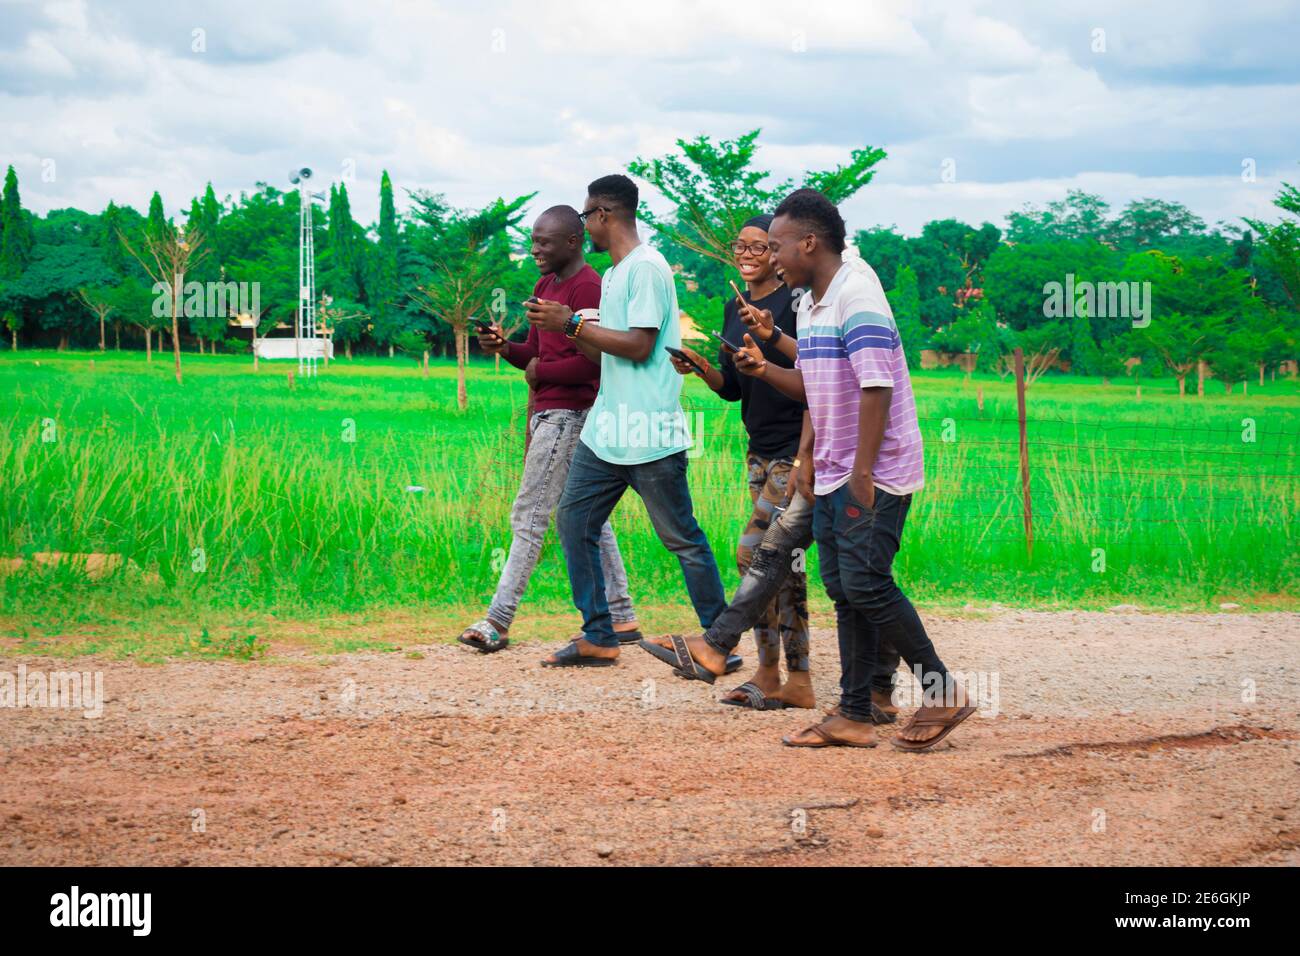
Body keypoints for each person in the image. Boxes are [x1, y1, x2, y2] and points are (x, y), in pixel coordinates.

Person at [643, 188, 975, 753]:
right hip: (834, 466)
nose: (771, 258)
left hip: (874, 470)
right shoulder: (816, 302)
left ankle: (939, 689)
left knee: (866, 583)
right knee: (846, 587)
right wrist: (769, 376)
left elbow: (876, 384)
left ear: (810, 243)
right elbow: (816, 385)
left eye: (777, 247)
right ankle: (853, 713)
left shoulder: (856, 293)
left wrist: (862, 472)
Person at [527, 175, 737, 672]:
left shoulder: (647, 269)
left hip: (647, 431)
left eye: (585, 216)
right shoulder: (617, 273)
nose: (585, 226)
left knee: (681, 537)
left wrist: (574, 324)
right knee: (574, 521)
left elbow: (641, 346)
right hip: (607, 431)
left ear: (603, 214)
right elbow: (605, 357)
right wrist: (570, 326)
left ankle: (721, 642)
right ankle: (599, 635)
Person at [458, 206, 641, 653]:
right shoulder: (545, 286)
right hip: (550, 410)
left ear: (573, 242)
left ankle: (498, 620)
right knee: (588, 520)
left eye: (544, 242)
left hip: (570, 415)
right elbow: (534, 358)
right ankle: (622, 616)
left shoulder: (589, 288)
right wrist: (505, 349)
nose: (535, 249)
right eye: (533, 240)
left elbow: (595, 362)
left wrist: (542, 369)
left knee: (530, 514)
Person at [667, 213, 815, 710]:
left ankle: (756, 664)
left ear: (778, 252)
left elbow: (815, 375)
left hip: (795, 451)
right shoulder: (737, 306)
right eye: (740, 246)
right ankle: (784, 677)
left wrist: (801, 458)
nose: (747, 255)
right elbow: (735, 388)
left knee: (754, 553)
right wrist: (705, 368)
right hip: (758, 451)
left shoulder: (797, 303)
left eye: (759, 247)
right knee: (783, 570)